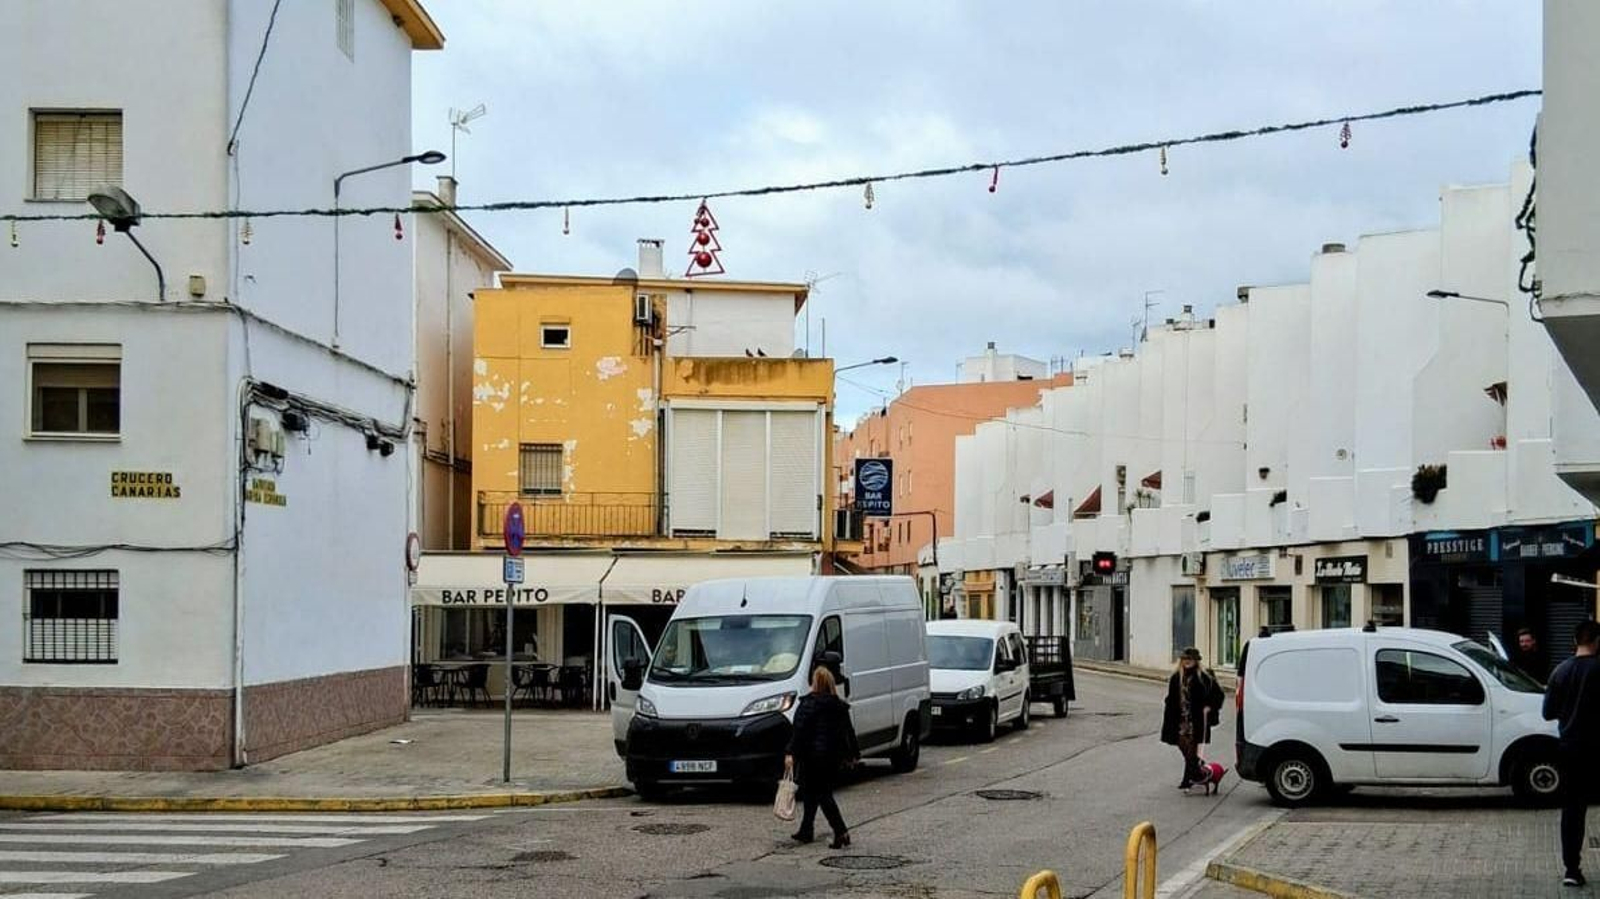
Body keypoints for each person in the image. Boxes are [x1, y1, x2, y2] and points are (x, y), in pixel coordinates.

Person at [1543, 619, 1600, 888]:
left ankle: (1571, 869)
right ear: (1597, 641)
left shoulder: (1560, 671)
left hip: (1570, 749)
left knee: (1573, 811)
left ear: (1575, 641)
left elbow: (1548, 713)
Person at [785, 664, 859, 849]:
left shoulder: (808, 704)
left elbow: (799, 731)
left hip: (811, 756)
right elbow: (848, 732)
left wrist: (790, 752)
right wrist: (853, 754)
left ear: (814, 683)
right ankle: (806, 829)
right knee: (813, 793)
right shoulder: (839, 706)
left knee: (822, 794)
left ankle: (840, 831)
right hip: (832, 757)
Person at [1161, 646, 1225, 790]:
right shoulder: (1176, 677)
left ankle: (1188, 778)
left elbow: (1218, 695)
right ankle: (1197, 767)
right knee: (1182, 745)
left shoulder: (1205, 676)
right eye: (1185, 659)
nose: (1187, 662)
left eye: (1190, 659)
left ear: (1196, 661)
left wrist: (1210, 707)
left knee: (1191, 747)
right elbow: (1171, 697)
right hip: (1179, 718)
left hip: (1196, 719)